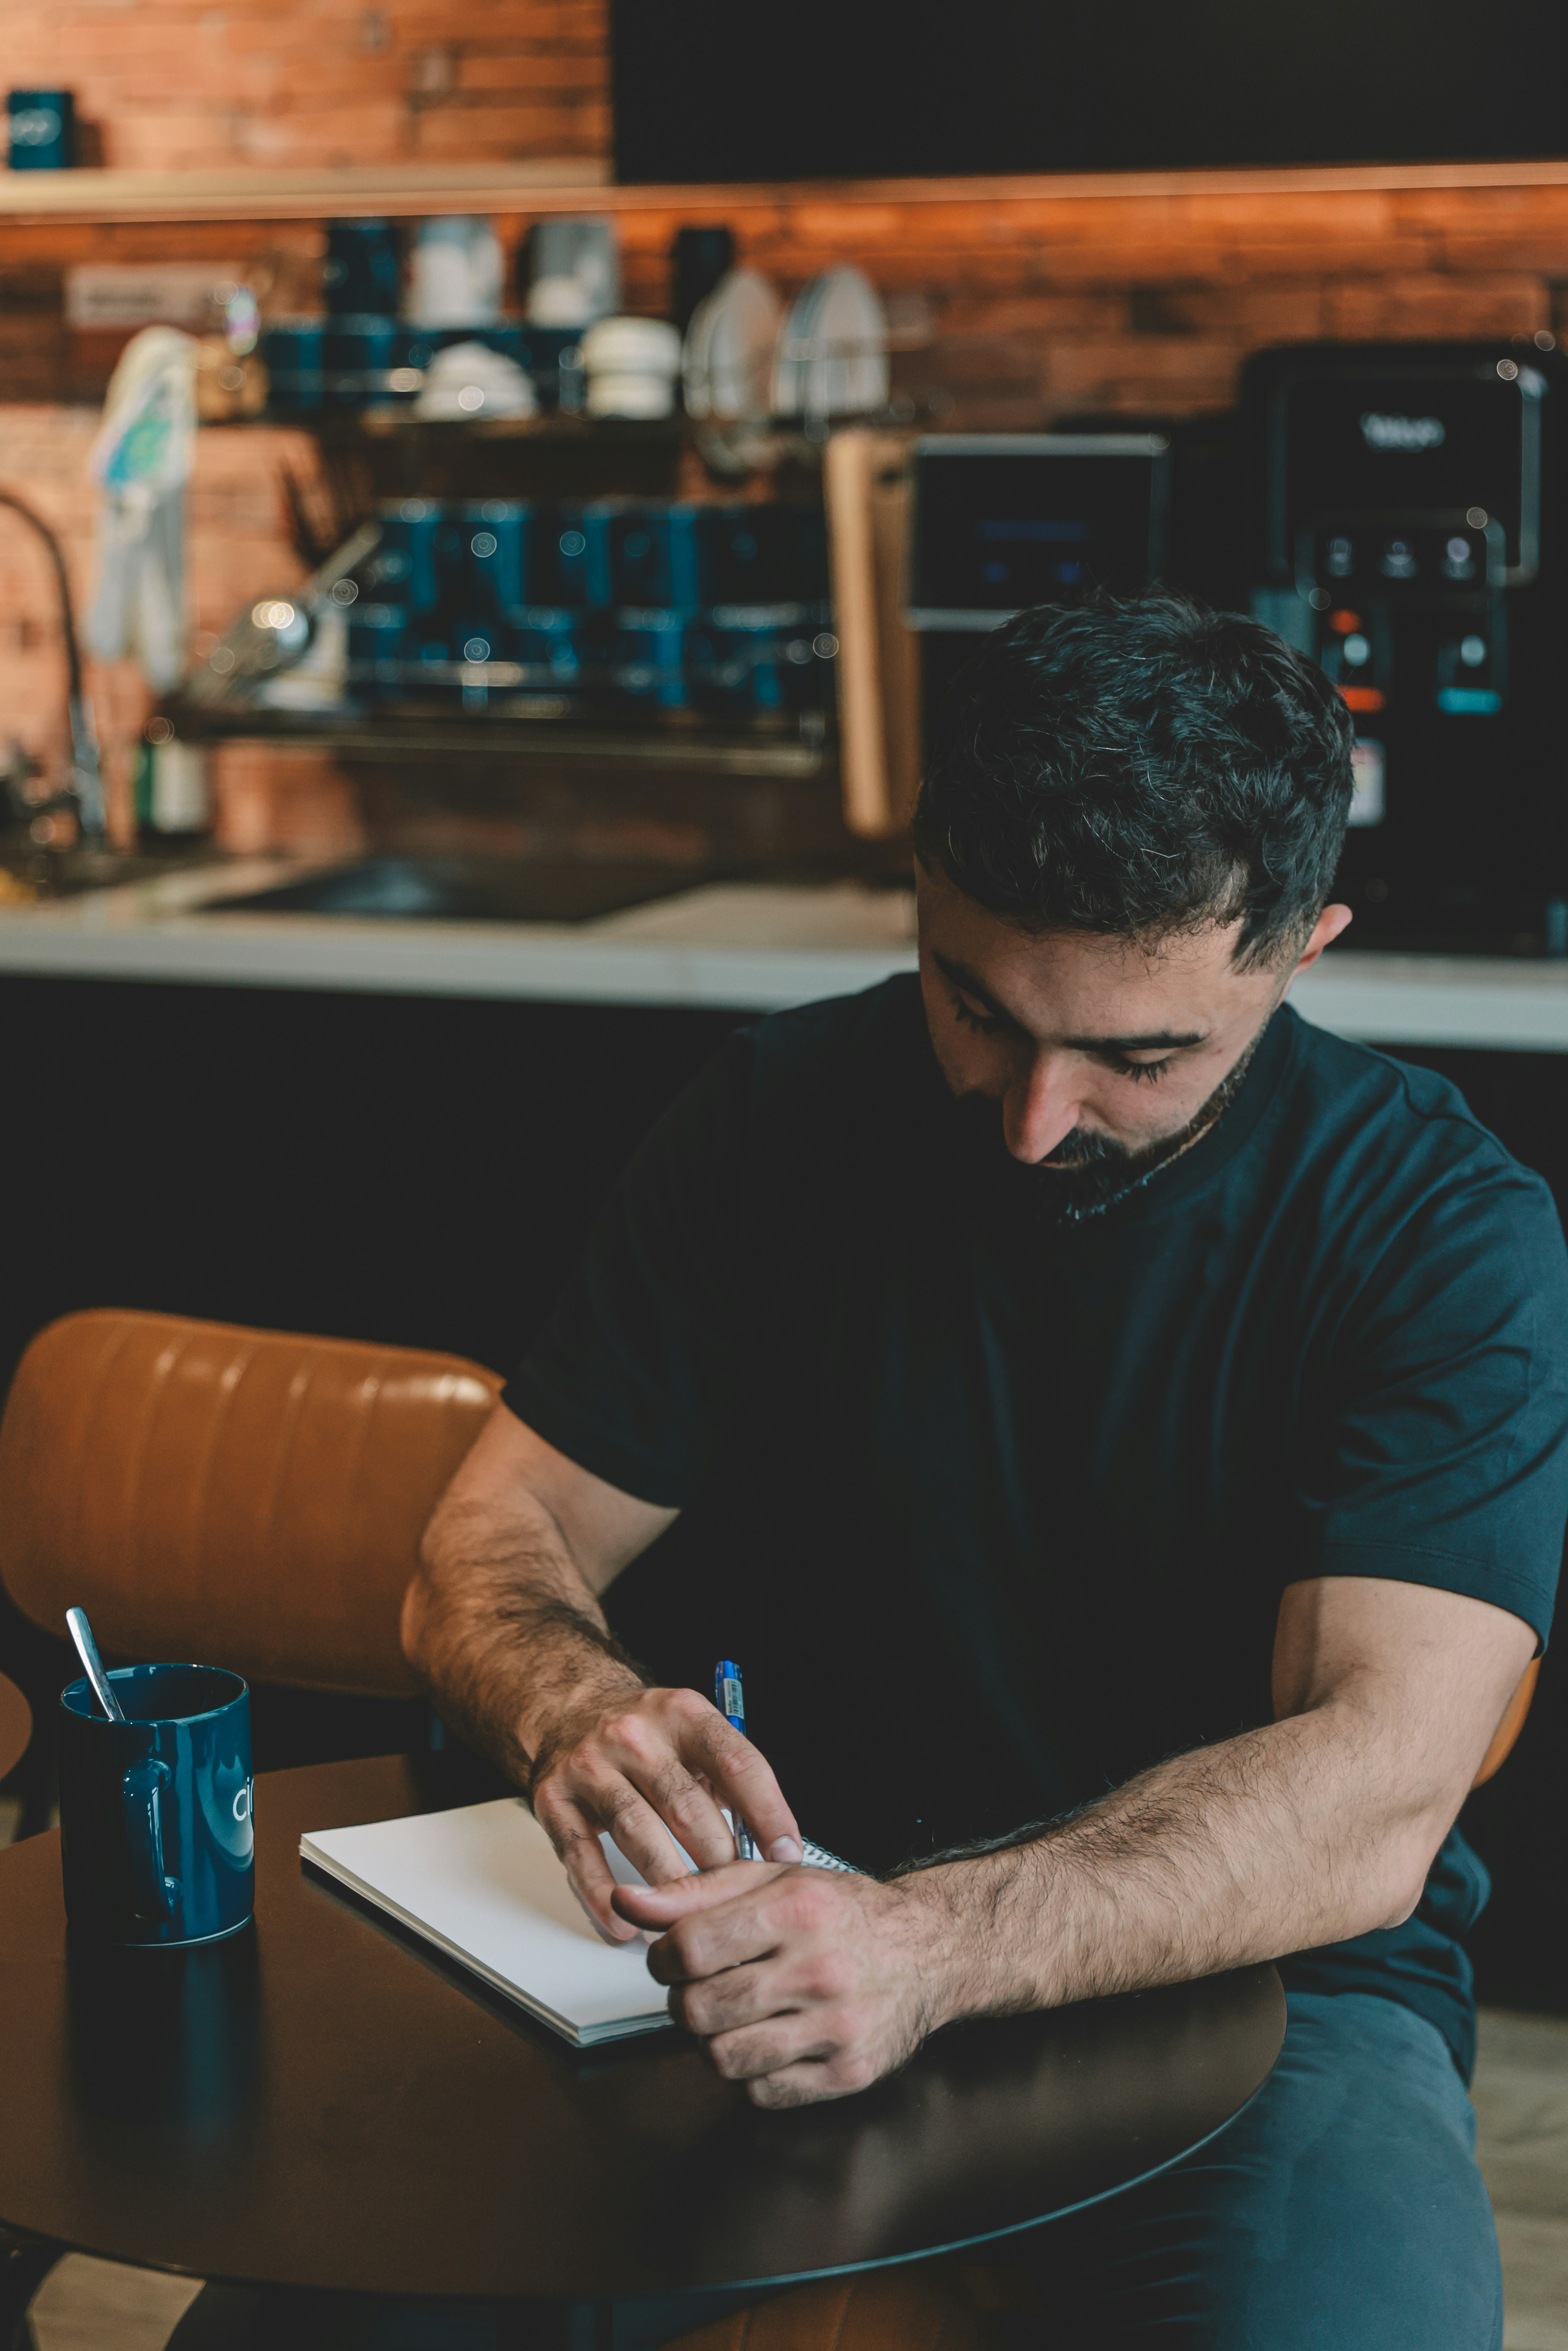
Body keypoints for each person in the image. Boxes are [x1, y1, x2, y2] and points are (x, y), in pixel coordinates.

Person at [404, 596, 1568, 2347]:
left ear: (1303, 945)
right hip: (799, 1924)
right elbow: (491, 1537)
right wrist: (571, 1703)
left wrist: (937, 1945)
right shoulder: (772, 1114)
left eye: (1136, 1054)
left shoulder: (1437, 1232)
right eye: (976, 1005)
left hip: (1260, 1986)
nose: (1032, 1114)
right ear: (922, 895)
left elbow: (1376, 1784)